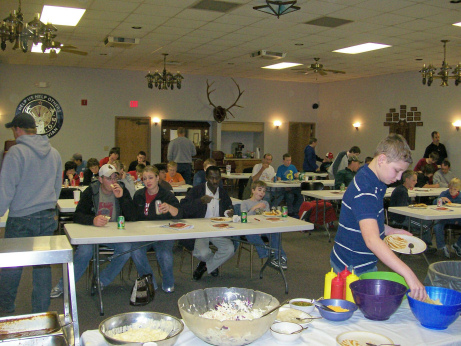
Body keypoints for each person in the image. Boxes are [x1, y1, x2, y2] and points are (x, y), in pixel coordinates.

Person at [330, 134, 427, 302]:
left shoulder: (375, 180)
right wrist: (409, 275)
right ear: (382, 159)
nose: (398, 178)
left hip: (362, 261)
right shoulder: (366, 189)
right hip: (352, 267)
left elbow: (366, 220)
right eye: (397, 170)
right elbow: (372, 240)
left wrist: (390, 230)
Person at [0, 113, 62, 313]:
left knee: (12, 265)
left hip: (21, 217)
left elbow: (6, 188)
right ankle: (41, 311)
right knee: (42, 266)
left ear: (17, 129)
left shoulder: (16, 153)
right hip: (46, 216)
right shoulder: (54, 153)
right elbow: (56, 187)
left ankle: (6, 307)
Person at [50, 164, 137, 298]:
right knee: (85, 251)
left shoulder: (122, 190)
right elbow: (78, 215)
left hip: (114, 234)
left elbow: (132, 217)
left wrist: (122, 198)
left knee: (126, 249)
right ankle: (63, 285)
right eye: (109, 178)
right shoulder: (91, 191)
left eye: (115, 178)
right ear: (100, 179)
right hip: (92, 233)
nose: (113, 182)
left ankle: (101, 281)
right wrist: (93, 220)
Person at [130, 166, 181, 292]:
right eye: (145, 178)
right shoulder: (138, 195)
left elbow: (180, 214)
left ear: (158, 178)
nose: (148, 181)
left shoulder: (166, 195)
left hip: (162, 234)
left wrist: (169, 208)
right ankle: (150, 281)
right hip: (143, 234)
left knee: (164, 255)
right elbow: (132, 217)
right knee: (135, 250)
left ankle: (168, 282)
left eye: (151, 178)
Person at [180, 166, 235, 280]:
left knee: (229, 249)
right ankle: (211, 265)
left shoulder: (223, 193)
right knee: (203, 253)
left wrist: (230, 211)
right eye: (211, 178)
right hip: (200, 228)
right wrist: (200, 201)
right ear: (206, 178)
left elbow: (229, 206)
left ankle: (204, 265)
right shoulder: (197, 190)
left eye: (217, 178)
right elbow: (184, 208)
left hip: (218, 228)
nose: (214, 181)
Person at [240, 181, 287, 269]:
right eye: (260, 190)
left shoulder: (265, 203)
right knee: (250, 234)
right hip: (250, 228)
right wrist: (254, 208)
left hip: (263, 227)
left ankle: (280, 257)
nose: (262, 193)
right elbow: (244, 218)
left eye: (264, 191)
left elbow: (267, 217)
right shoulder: (245, 203)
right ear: (253, 190)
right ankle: (267, 253)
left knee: (275, 232)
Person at [388, 170, 436, 254]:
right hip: (400, 219)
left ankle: (425, 244)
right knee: (426, 224)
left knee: (425, 222)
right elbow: (402, 209)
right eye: (414, 180)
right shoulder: (402, 191)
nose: (416, 182)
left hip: (401, 217)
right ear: (407, 180)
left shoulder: (402, 189)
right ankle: (426, 246)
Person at [432, 178, 461, 258]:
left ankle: (458, 244)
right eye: (450, 188)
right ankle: (442, 246)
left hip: (457, 219)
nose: (452, 191)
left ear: (458, 189)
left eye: (454, 189)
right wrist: (440, 199)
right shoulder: (444, 193)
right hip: (444, 218)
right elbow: (434, 204)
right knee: (437, 226)